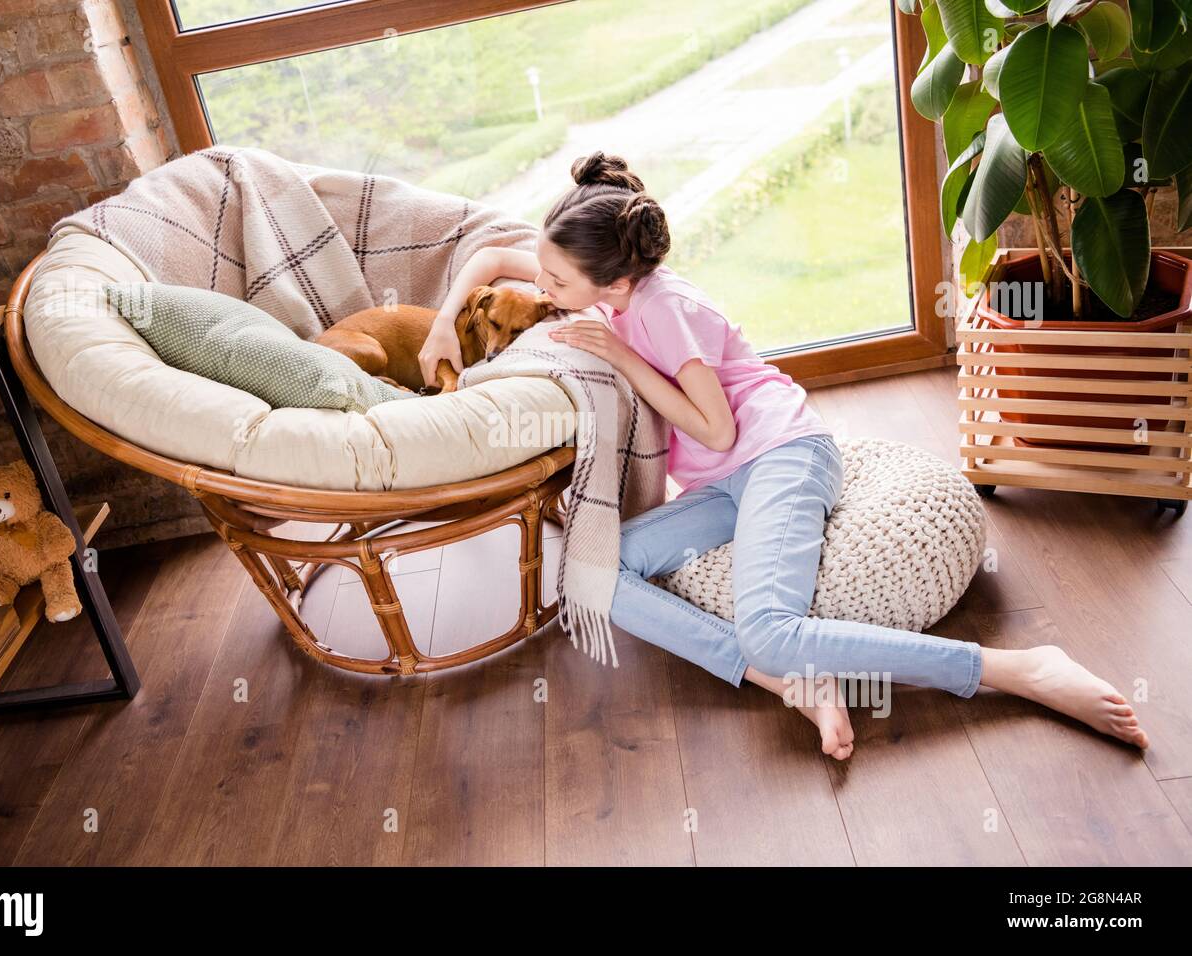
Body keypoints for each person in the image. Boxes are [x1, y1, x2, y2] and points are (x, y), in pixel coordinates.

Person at [418, 151, 1150, 760]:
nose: (542, 294)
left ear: (611, 283)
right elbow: (487, 254)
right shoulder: (600, 280)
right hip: (726, 486)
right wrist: (445, 324)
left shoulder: (663, 311)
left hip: (781, 456)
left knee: (768, 624)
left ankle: (1015, 671)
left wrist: (618, 354)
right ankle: (788, 682)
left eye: (554, 284)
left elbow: (717, 432)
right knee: (592, 573)